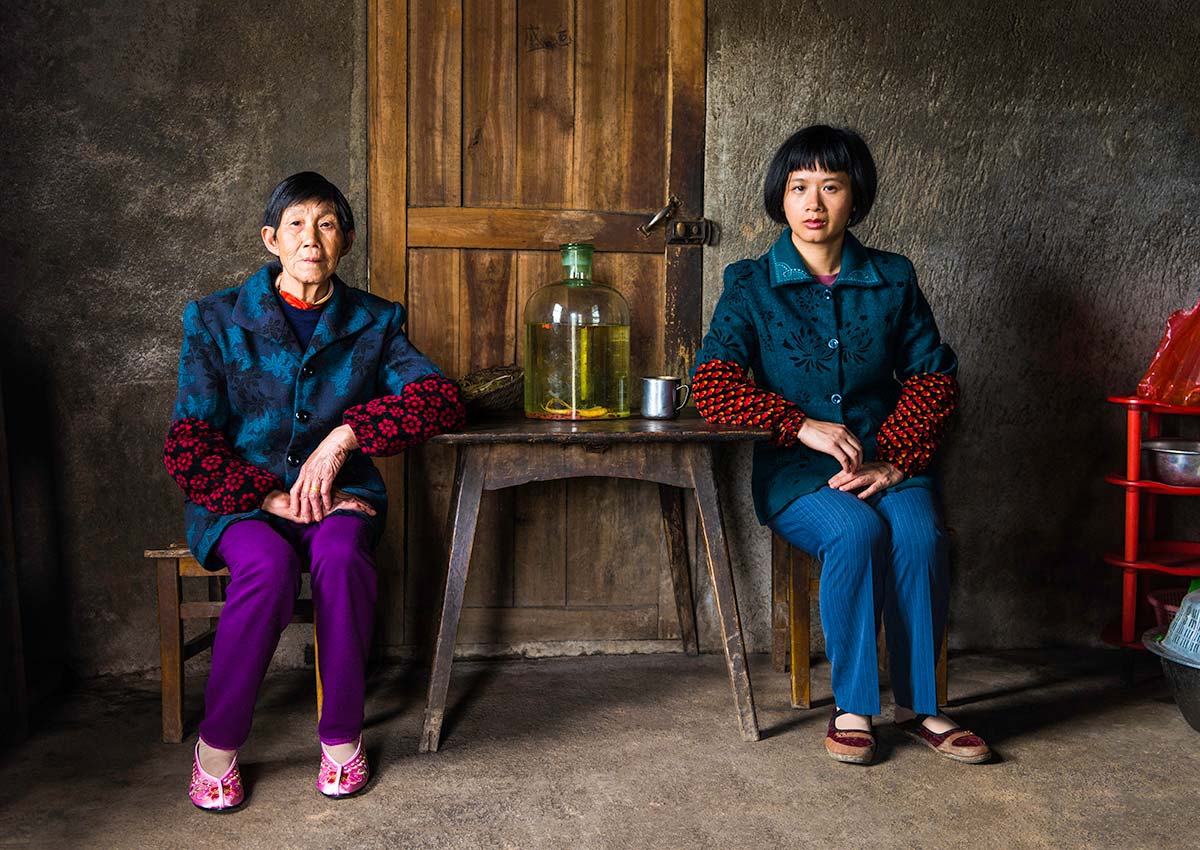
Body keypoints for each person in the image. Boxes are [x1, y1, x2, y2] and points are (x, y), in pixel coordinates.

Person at [164, 172, 465, 810]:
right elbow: (188, 441)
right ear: (271, 239)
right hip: (239, 499)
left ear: (345, 241)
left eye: (326, 224)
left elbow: (439, 398)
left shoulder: (376, 321)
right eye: (296, 225)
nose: (311, 239)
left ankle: (341, 740)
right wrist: (265, 495)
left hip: (340, 496)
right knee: (269, 568)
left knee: (341, 555)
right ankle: (216, 749)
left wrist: (347, 435)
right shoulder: (215, 319)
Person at [691, 126, 989, 765]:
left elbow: (934, 377)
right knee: (856, 534)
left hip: (890, 461)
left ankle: (925, 707)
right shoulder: (750, 284)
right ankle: (853, 705)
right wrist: (798, 424)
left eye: (831, 186)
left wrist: (895, 459)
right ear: (781, 198)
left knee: (919, 536)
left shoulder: (892, 278)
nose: (814, 203)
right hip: (797, 472)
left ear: (856, 197)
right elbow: (710, 382)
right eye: (799, 188)